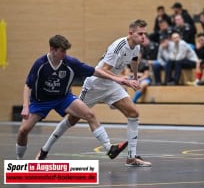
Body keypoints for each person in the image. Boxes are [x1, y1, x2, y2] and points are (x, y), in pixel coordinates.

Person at [36, 20, 152, 167]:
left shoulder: (135, 47)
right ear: (130, 33)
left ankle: (131, 157)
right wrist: (124, 81)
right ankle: (44, 150)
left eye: (144, 34)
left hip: (111, 84)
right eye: (140, 33)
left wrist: (135, 79)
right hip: (95, 84)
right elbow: (103, 69)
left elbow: (134, 60)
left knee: (134, 113)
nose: (143, 37)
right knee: (72, 119)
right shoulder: (119, 46)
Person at [16, 35, 129, 160]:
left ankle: (109, 149)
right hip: (41, 101)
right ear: (52, 50)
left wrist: (116, 79)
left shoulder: (70, 62)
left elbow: (95, 71)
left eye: (66, 51)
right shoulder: (40, 64)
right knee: (23, 130)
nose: (65, 54)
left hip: (63, 98)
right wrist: (25, 107)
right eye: (62, 51)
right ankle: (19, 161)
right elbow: (28, 85)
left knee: (90, 115)